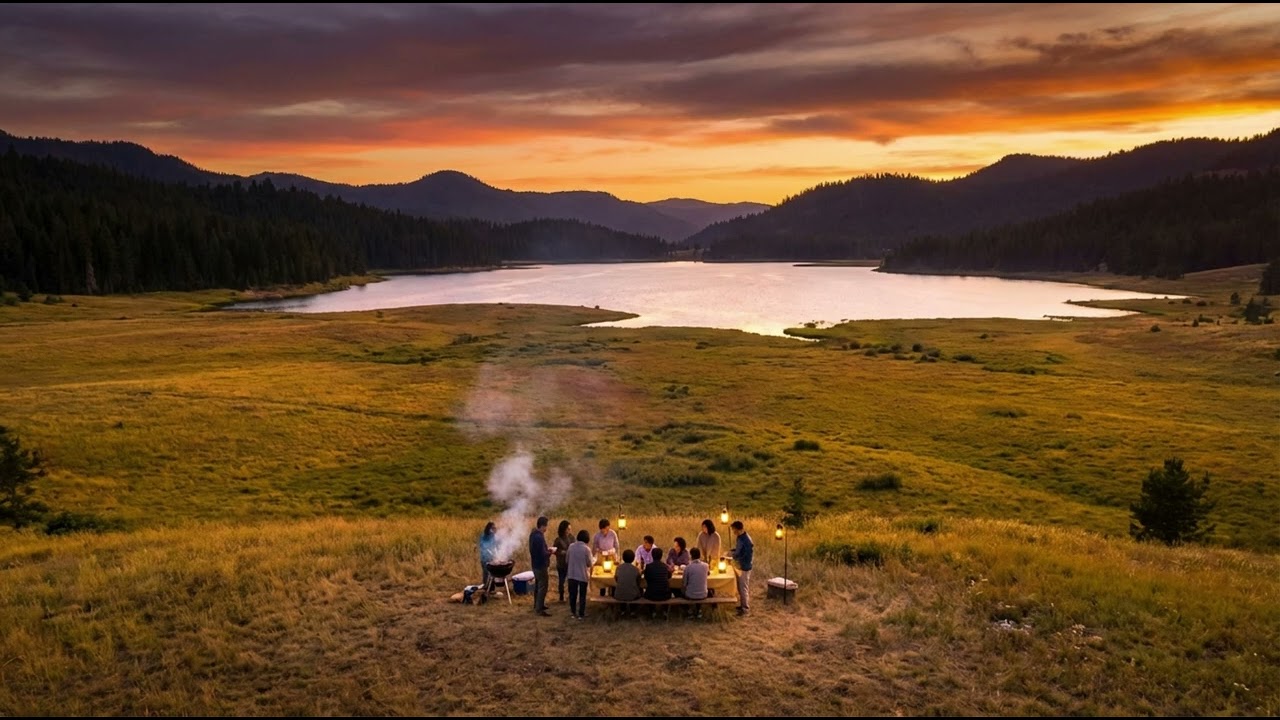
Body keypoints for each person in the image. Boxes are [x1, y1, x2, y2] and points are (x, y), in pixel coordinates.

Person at [566, 529, 595, 620]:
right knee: (582, 595)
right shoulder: (587, 549)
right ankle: (581, 614)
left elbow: (567, 560)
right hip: (582, 575)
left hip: (571, 574)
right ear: (587, 539)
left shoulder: (571, 546)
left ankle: (573, 612)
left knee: (572, 595)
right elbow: (589, 563)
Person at [529, 516, 553, 616]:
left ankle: (538, 605)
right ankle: (539, 609)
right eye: (546, 526)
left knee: (538, 585)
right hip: (540, 565)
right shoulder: (539, 537)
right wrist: (550, 552)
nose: (546, 528)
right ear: (542, 526)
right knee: (543, 586)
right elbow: (542, 553)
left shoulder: (533, 535)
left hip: (535, 564)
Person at [729, 520, 754, 615]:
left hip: (744, 567)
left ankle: (745, 608)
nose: (734, 532)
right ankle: (742, 605)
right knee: (740, 587)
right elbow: (739, 550)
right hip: (740, 565)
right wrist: (732, 551)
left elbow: (747, 555)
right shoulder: (739, 538)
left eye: (734, 530)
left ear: (740, 529)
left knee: (744, 588)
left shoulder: (747, 540)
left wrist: (735, 557)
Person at [614, 548, 643, 617]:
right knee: (637, 590)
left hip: (619, 595)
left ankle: (622, 610)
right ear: (633, 559)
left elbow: (616, 579)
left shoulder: (618, 568)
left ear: (623, 558)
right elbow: (639, 582)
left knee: (623, 588)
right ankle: (633, 610)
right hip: (633, 596)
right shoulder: (636, 569)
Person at [683, 548, 710, 618]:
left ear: (691, 556)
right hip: (703, 594)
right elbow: (708, 574)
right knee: (704, 588)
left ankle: (689, 610)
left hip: (690, 595)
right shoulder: (706, 566)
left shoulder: (688, 568)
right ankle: (699, 610)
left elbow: (684, 584)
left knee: (678, 591)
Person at [553, 520, 572, 603]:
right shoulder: (558, 540)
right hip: (561, 563)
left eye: (570, 529)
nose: (569, 530)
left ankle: (570, 595)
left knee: (571, 580)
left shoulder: (571, 537)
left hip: (570, 563)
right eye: (568, 529)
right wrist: (561, 552)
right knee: (561, 580)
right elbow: (554, 550)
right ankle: (561, 596)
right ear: (564, 529)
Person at [478, 521, 498, 589]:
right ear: (489, 528)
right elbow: (483, 546)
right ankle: (486, 587)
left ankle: (491, 587)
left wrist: (497, 554)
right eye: (493, 528)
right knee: (486, 573)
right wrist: (490, 552)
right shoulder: (484, 536)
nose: (495, 529)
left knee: (492, 573)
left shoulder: (493, 536)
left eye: (495, 528)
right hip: (484, 558)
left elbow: (495, 546)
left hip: (491, 557)